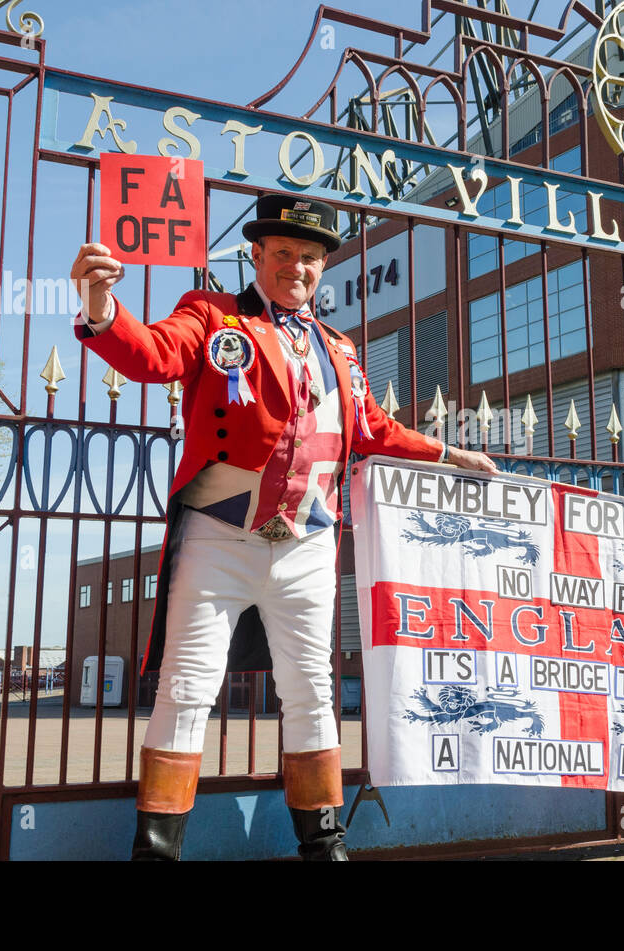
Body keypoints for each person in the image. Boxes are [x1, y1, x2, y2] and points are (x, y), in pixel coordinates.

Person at [70, 195, 496, 860]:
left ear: (322, 268)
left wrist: (451, 452)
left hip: (307, 544)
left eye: (309, 258)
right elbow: (151, 354)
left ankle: (323, 846)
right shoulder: (211, 315)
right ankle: (155, 852)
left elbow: (374, 429)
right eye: (284, 254)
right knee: (187, 688)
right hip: (220, 537)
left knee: (310, 691)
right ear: (258, 256)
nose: (296, 267)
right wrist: (102, 309)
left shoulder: (340, 349)